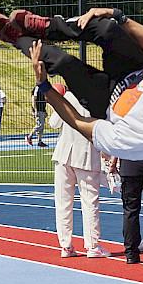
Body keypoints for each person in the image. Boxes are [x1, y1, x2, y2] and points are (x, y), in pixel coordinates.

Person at [0, 7, 143, 161]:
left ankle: (16, 38)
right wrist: (117, 15)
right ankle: (47, 27)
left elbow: (78, 121)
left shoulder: (134, 142)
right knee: (108, 28)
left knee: (63, 62)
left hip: (106, 99)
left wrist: (44, 85)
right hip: (136, 67)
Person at [50, 86, 108, 258]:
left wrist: (54, 103)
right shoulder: (98, 99)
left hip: (64, 154)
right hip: (86, 155)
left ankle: (66, 245)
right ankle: (92, 245)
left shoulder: (67, 96)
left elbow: (54, 124)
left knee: (63, 202)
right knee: (89, 201)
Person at [27, 81, 49, 147]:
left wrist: (45, 111)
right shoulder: (37, 89)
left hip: (42, 110)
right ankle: (29, 136)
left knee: (41, 126)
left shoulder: (44, 90)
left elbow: (44, 101)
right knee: (39, 125)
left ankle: (39, 141)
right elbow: (33, 100)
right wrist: (36, 110)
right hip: (38, 110)